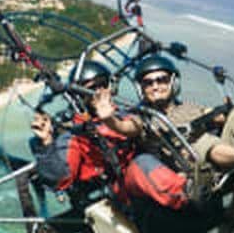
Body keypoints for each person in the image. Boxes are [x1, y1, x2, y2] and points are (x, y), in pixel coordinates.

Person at [30, 61, 191, 211]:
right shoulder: (75, 135)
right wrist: (46, 142)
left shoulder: (125, 113)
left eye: (103, 85)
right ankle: (186, 195)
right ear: (80, 96)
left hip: (149, 180)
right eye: (92, 88)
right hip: (120, 193)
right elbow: (59, 179)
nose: (100, 92)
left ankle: (196, 178)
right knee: (142, 164)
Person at [92, 54, 234, 174]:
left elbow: (218, 117)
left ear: (172, 83)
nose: (156, 86)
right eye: (148, 83)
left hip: (220, 152)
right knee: (201, 141)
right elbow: (127, 128)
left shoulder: (188, 106)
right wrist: (109, 119)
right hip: (189, 164)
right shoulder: (143, 116)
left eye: (162, 80)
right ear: (141, 88)